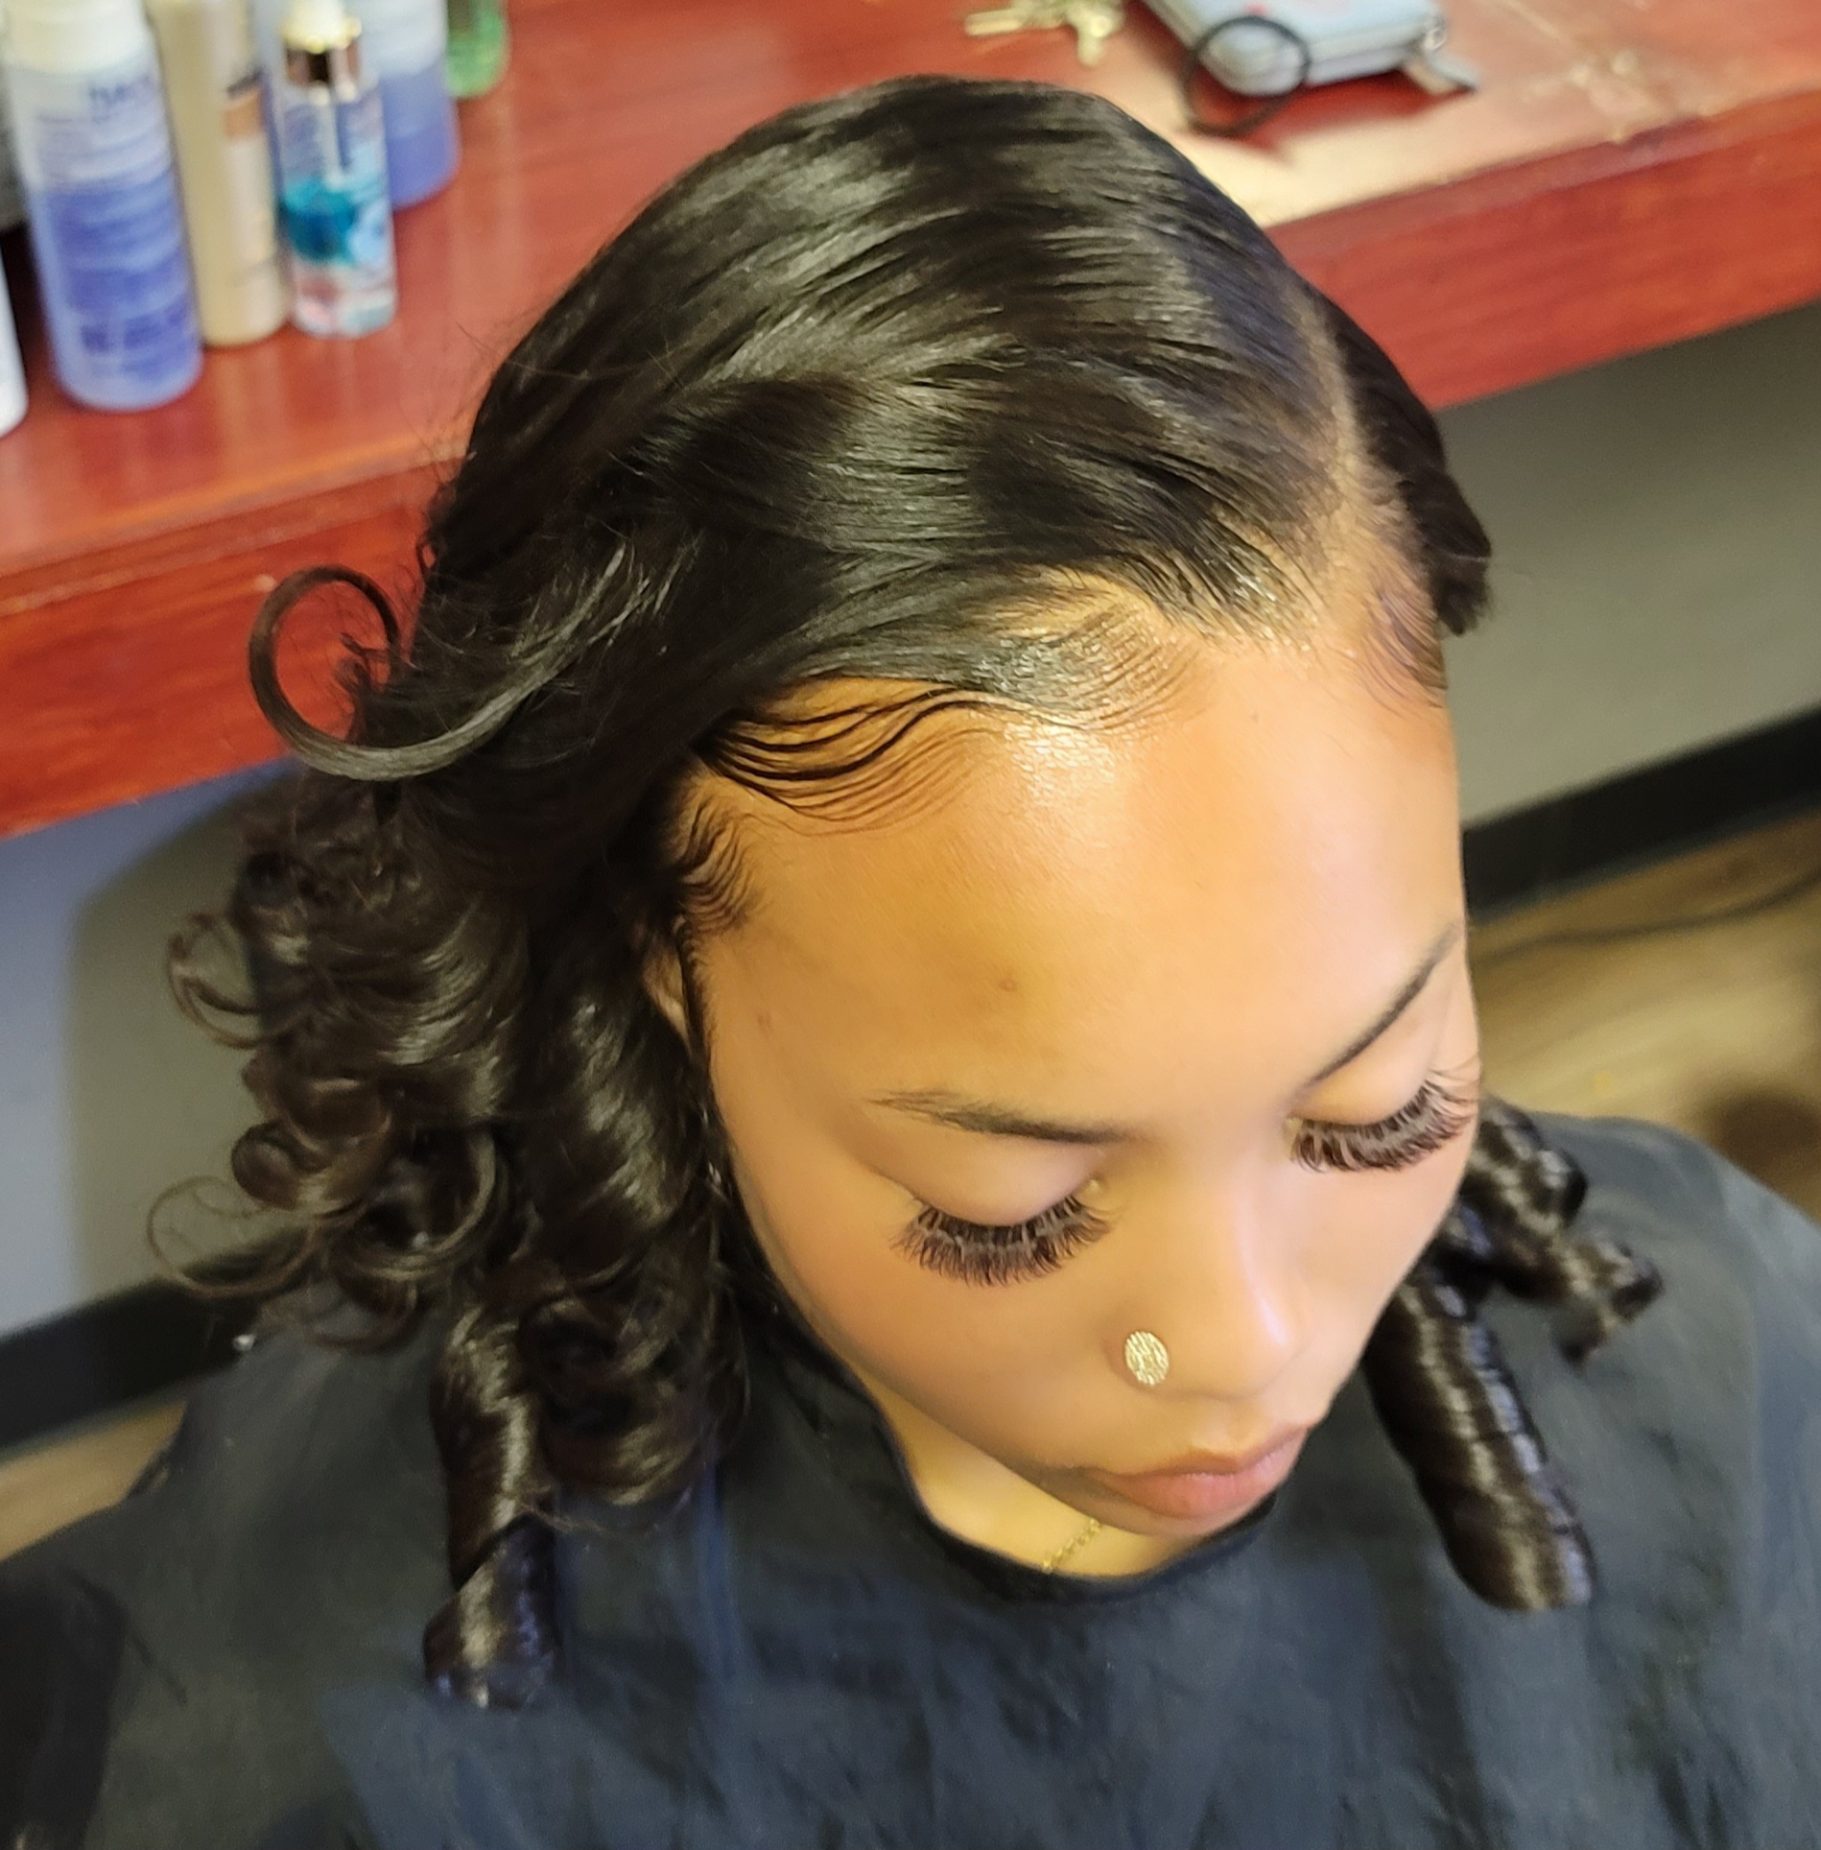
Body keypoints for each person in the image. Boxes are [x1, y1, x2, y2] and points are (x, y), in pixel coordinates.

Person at [2, 70, 1817, 1850]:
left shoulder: (1733, 1369)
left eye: (1370, 1109)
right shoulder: (304, 1703)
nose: (1250, 1348)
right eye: (1008, 1207)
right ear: (652, 951)